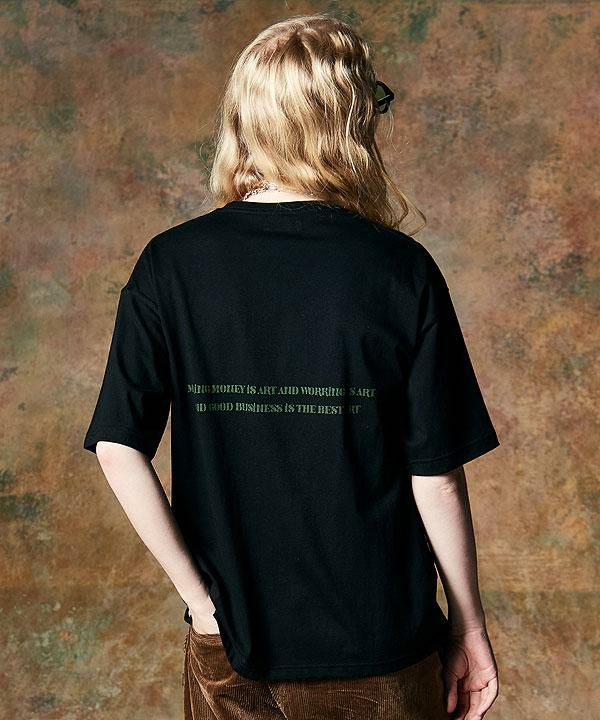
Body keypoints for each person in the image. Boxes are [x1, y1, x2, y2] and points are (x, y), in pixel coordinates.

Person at [83, 12, 500, 720]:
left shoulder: (170, 265)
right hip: (380, 648)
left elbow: (119, 447)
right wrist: (470, 628)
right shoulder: (400, 270)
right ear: (346, 121)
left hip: (231, 647)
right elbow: (435, 477)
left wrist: (201, 604)